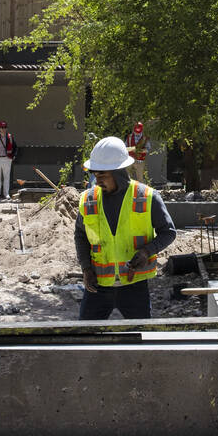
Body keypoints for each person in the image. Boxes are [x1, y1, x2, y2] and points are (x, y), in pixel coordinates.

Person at [74, 136, 176, 320]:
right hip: (98, 285)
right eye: (96, 175)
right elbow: (80, 235)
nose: (97, 181)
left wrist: (147, 252)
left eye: (103, 175)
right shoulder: (88, 200)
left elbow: (168, 232)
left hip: (134, 286)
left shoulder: (147, 197)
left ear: (119, 173)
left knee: (140, 338)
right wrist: (86, 269)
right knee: (85, 338)